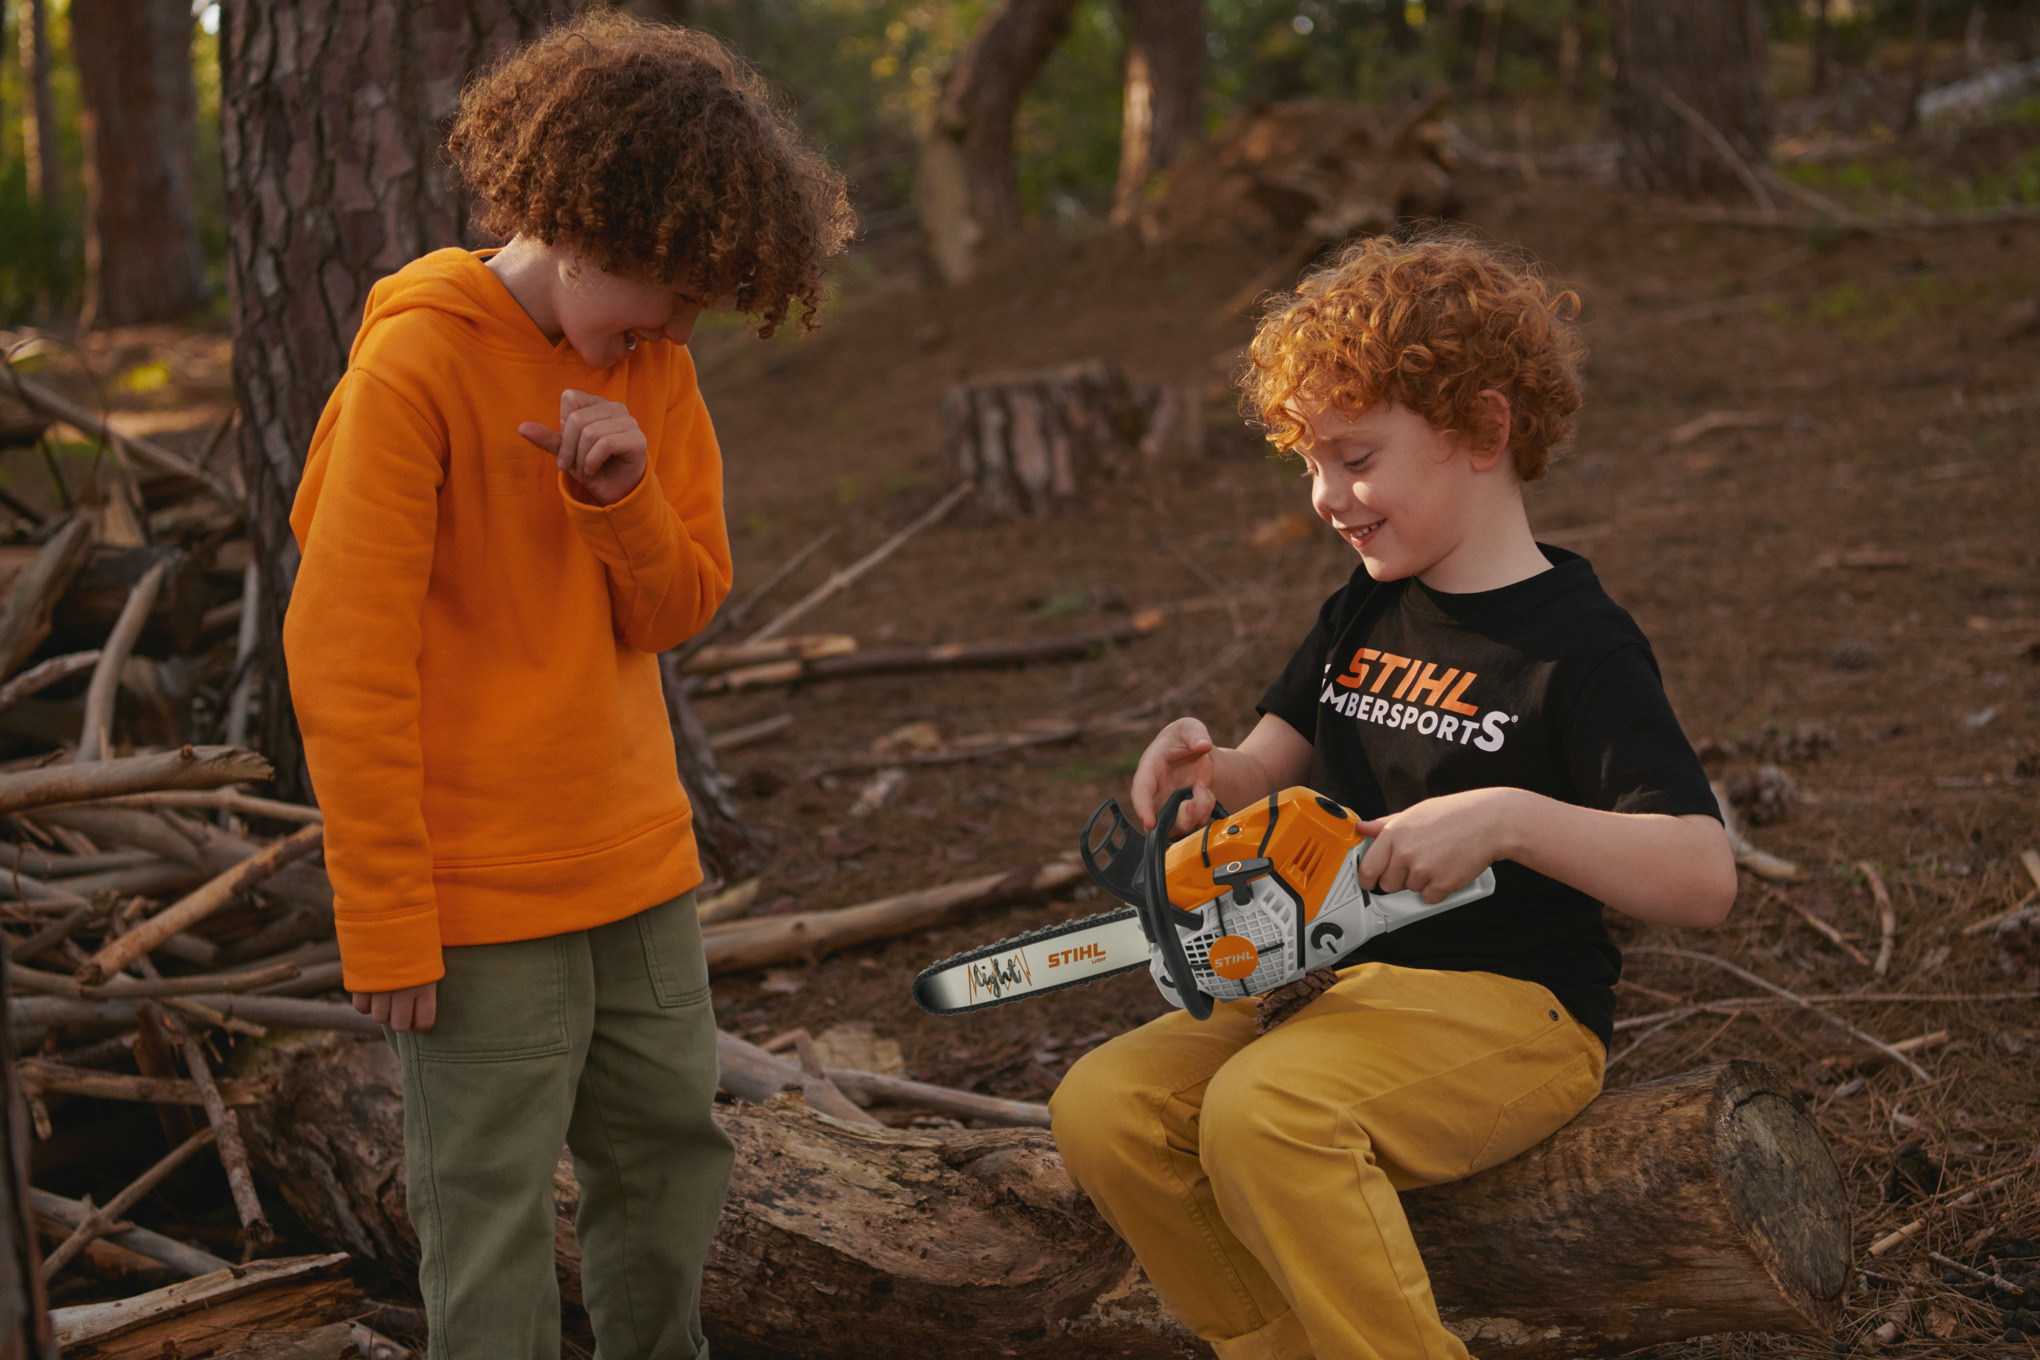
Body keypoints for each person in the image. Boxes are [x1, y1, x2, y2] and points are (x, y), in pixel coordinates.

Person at [1049, 233, 1738, 1360]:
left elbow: (1702, 874)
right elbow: (1270, 764)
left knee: (1266, 1115)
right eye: (1309, 461)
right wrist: (1205, 774)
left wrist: (1509, 818)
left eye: (1355, 457)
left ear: (1483, 429)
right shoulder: (1364, 612)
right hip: (1324, 978)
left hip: (1514, 1008)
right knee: (1104, 1107)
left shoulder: (1581, 648)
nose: (1326, 496)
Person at [283, 15, 852, 1360]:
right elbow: (341, 653)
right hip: (479, 897)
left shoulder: (656, 377)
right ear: (592, 221)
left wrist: (623, 502)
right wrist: (384, 913)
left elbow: (678, 606)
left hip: (639, 871)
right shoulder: (417, 362)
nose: (679, 320)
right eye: (672, 287)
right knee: (482, 1205)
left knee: (667, 1163)